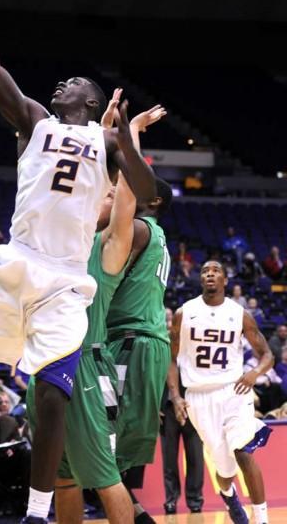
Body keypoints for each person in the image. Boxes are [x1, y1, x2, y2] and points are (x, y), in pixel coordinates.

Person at [0, 0, 156, 524]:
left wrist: (125, 139)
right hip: (14, 265)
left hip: (62, 280)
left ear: (90, 99)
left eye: (73, 82)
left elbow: (151, 193)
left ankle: (35, 512)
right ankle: (5, 344)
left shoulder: (105, 142)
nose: (61, 84)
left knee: (53, 389)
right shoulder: (35, 121)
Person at [27, 101, 166, 524]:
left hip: (84, 361)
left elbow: (125, 195)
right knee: (64, 478)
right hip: (42, 362)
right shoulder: (64, 237)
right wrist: (96, 131)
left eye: (107, 194)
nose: (101, 195)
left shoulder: (109, 247)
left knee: (104, 475)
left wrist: (129, 133)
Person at [168, 260, 273, 524]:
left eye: (216, 271)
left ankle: (261, 518)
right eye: (205, 271)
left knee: (243, 450)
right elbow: (169, 358)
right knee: (224, 470)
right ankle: (228, 494)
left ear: (225, 280)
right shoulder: (185, 312)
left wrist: (254, 373)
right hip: (198, 397)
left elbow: (267, 355)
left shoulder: (239, 314)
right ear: (201, 279)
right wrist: (175, 395)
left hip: (233, 391)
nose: (210, 274)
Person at [106, 121, 173, 523]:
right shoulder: (157, 236)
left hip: (134, 341)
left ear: (155, 201)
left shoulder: (145, 230)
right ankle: (135, 511)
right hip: (139, 341)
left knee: (103, 437)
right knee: (107, 436)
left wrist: (126, 139)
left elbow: (112, 222)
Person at [160, 313, 203, 515]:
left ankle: (195, 500)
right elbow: (152, 379)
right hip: (167, 409)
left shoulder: (193, 350)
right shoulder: (159, 347)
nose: (171, 325)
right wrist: (155, 406)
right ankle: (170, 500)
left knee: (195, 457)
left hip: (192, 407)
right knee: (169, 459)